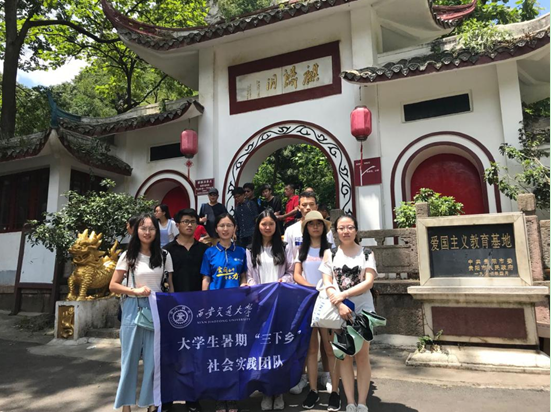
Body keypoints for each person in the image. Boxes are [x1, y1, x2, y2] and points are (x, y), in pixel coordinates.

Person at [110, 213, 174, 412]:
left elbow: (169, 286)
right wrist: (134, 291)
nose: (147, 232)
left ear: (157, 231)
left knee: (153, 361)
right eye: (143, 228)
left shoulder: (164, 255)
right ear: (136, 230)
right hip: (133, 307)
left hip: (157, 308)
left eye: (151, 228)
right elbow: (113, 285)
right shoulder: (127, 256)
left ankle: (151, 404)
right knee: (129, 360)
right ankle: (126, 405)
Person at [320, 215, 378, 412]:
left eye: (350, 227)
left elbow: (368, 282)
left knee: (362, 355)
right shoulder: (330, 253)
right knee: (344, 356)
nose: (346, 231)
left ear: (356, 230)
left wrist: (343, 295)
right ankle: (350, 402)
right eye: (342, 228)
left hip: (363, 310)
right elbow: (327, 282)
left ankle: (362, 402)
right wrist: (339, 304)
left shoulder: (367, 253)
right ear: (336, 231)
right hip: (339, 310)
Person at [246, 209, 293, 410]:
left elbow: (291, 272)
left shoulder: (284, 247)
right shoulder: (251, 250)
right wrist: (256, 291)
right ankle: (266, 391)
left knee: (279, 348)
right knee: (263, 349)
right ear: (258, 226)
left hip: (280, 304)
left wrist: (284, 280)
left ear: (276, 226)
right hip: (261, 305)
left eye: (271, 224)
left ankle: (279, 391)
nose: (267, 227)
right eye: (264, 224)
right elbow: (249, 276)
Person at [293, 211, 340, 411]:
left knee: (330, 348)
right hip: (308, 300)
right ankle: (313, 390)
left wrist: (324, 290)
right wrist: (311, 288)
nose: (315, 227)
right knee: (311, 349)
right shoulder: (301, 250)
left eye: (318, 223)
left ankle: (335, 391)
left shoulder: (331, 250)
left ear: (323, 227)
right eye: (311, 224)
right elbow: (296, 274)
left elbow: (336, 275)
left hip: (327, 302)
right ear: (306, 228)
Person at [201, 213, 247, 412]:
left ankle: (233, 395)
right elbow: (206, 279)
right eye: (222, 226)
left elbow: (244, 275)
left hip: (236, 309)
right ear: (216, 229)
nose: (225, 229)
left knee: (234, 352)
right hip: (216, 310)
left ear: (235, 228)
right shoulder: (210, 253)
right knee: (218, 353)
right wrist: (204, 304)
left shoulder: (242, 252)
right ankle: (220, 395)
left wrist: (243, 285)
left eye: (229, 225)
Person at [162, 208, 208, 412]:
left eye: (193, 221)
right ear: (178, 224)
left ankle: (192, 398)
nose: (189, 225)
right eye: (185, 221)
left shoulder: (204, 250)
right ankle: (168, 398)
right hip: (174, 310)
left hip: (198, 309)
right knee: (171, 354)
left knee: (193, 355)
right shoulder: (167, 250)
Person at [284, 191, 334, 261]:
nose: (308, 208)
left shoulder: (325, 229)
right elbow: (289, 257)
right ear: (299, 207)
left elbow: (331, 252)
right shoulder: (290, 230)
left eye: (311, 204)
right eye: (304, 205)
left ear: (316, 207)